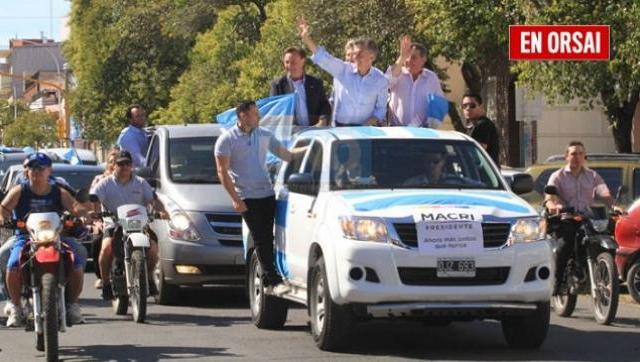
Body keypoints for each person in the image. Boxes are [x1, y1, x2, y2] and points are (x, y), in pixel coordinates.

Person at [215, 100, 307, 294]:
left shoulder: (265, 135)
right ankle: (273, 281)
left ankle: (267, 279)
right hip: (246, 196)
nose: (259, 117)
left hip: (266, 193)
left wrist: (308, 148)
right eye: (255, 114)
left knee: (269, 237)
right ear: (243, 116)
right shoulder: (227, 140)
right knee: (260, 238)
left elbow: (287, 155)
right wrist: (235, 199)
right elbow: (222, 171)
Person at [0, 152, 87, 327]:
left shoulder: (58, 191)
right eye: (32, 167)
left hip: (56, 237)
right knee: (10, 262)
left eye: (40, 168)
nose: (36, 171)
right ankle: (16, 306)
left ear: (49, 170)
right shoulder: (19, 190)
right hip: (26, 237)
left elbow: (76, 207)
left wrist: (86, 215)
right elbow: (4, 209)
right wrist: (4, 219)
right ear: (27, 171)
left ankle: (72, 304)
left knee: (78, 257)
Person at [544, 141, 622, 295]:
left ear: (584, 156)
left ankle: (595, 270)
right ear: (566, 156)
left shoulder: (593, 176)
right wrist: (552, 205)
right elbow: (549, 196)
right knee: (565, 245)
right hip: (566, 217)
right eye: (573, 153)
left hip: (587, 218)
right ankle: (557, 283)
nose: (577, 157)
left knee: (603, 237)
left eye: (580, 153)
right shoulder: (558, 176)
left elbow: (604, 194)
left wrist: (614, 206)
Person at [90, 150, 167, 300]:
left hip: (139, 224)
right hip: (114, 224)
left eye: (128, 163)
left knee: (153, 249)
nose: (125, 167)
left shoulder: (141, 182)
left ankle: (149, 277)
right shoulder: (105, 184)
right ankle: (106, 283)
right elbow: (93, 198)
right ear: (114, 166)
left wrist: (162, 211)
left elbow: (153, 200)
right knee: (106, 248)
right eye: (121, 164)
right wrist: (94, 213)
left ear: (132, 165)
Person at [298, 18, 389, 126]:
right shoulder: (344, 70)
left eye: (359, 54)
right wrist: (307, 39)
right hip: (341, 129)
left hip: (366, 131)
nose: (355, 58)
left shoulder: (380, 80)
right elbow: (325, 59)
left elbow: (381, 109)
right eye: (354, 54)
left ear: (372, 57)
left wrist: (369, 123)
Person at [387, 36, 445, 128]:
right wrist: (402, 57)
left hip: (421, 133)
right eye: (407, 57)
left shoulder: (431, 78)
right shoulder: (398, 73)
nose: (409, 61)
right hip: (397, 131)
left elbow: (439, 105)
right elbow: (386, 83)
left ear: (423, 59)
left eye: (413, 57)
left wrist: (430, 126)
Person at [269, 47, 331, 128]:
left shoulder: (315, 83)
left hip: (315, 132)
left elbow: (324, 106)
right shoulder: (278, 85)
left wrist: (323, 120)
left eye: (293, 62)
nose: (289, 66)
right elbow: (274, 111)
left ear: (303, 61)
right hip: (290, 133)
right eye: (287, 62)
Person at [89, 147, 120, 289]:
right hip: (106, 220)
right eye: (111, 161)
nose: (114, 164)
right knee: (97, 242)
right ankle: (102, 277)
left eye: (117, 161)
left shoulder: (130, 179)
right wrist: (96, 222)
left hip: (127, 220)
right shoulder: (100, 180)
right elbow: (93, 203)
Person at [462, 93, 500, 166]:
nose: (468, 108)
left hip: (482, 174)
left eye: (472, 106)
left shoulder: (482, 125)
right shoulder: (472, 126)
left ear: (481, 107)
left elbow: (478, 151)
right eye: (464, 106)